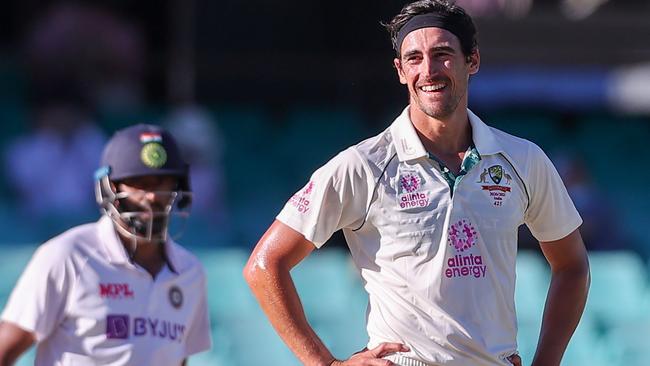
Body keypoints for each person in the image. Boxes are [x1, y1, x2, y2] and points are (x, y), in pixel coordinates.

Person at [243, 1, 590, 366]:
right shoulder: (363, 165)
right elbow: (265, 266)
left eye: (442, 54)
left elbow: (572, 265)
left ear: (472, 61)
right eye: (414, 58)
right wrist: (327, 364)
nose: (428, 70)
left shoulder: (523, 159)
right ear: (399, 71)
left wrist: (546, 362)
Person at [0, 124, 211, 365]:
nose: (152, 196)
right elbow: (4, 350)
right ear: (111, 187)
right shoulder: (68, 256)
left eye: (162, 182)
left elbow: (178, 360)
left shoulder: (190, 272)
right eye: (139, 182)